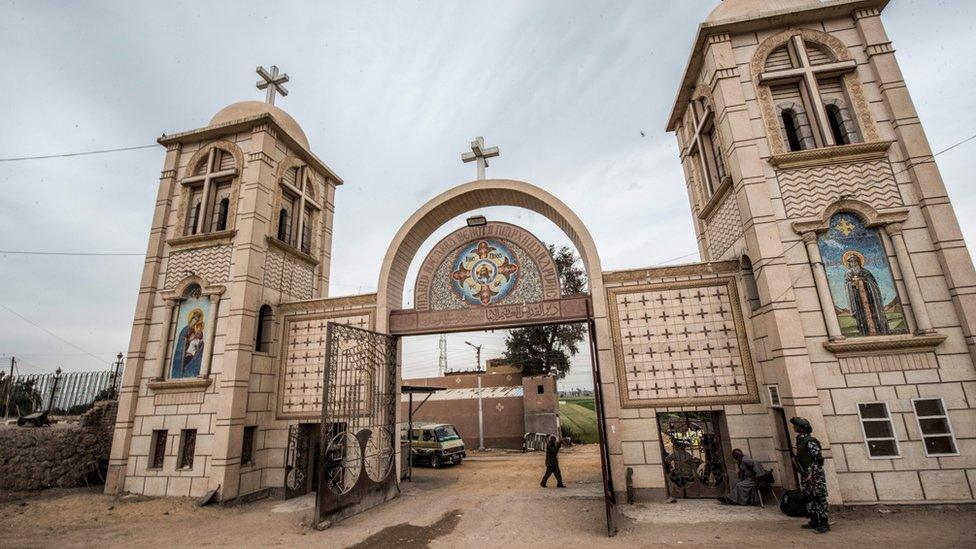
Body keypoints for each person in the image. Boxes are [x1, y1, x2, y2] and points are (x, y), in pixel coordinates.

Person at [791, 416, 829, 534]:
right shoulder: (800, 440)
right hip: (806, 473)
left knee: (819, 497)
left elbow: (818, 459)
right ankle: (814, 520)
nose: (794, 427)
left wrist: (812, 473)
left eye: (796, 425)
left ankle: (824, 523)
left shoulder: (810, 441)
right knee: (809, 496)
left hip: (814, 474)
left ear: (801, 428)